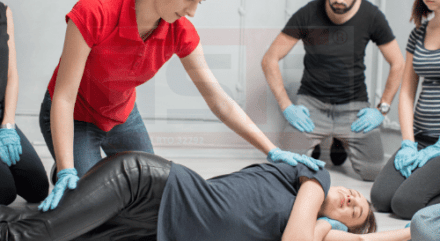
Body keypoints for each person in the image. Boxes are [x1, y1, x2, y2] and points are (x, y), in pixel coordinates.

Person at [39, 0, 323, 212]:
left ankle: (79, 165)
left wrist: (272, 150)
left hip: (122, 115)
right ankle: (67, 163)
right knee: (92, 205)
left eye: (199, 1)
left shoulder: (180, 31)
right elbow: (64, 98)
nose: (193, 11)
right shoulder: (95, 10)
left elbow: (219, 101)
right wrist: (66, 169)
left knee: (152, 193)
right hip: (74, 115)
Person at [0, 151, 414, 241]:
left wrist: (416, 231)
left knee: (30, 232)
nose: (353, 201)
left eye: (354, 212)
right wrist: (325, 213)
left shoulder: (315, 226)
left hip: (151, 233)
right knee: (26, 239)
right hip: (144, 186)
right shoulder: (312, 173)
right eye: (354, 196)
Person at [261, 0, 405, 181]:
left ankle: (338, 140)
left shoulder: (372, 15)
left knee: (373, 172)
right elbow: (270, 59)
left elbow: (398, 62)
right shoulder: (309, 12)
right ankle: (322, 139)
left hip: (353, 106)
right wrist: (286, 106)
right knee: (283, 168)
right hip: (312, 105)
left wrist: (381, 109)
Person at [371, 0, 440, 220]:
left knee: (406, 204)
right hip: (422, 138)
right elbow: (408, 93)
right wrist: (409, 142)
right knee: (381, 198)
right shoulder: (419, 32)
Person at [0, 0, 49, 206]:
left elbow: (11, 75)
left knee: (38, 188)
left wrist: (7, 125)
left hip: (0, 117)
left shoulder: (4, 12)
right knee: (5, 194)